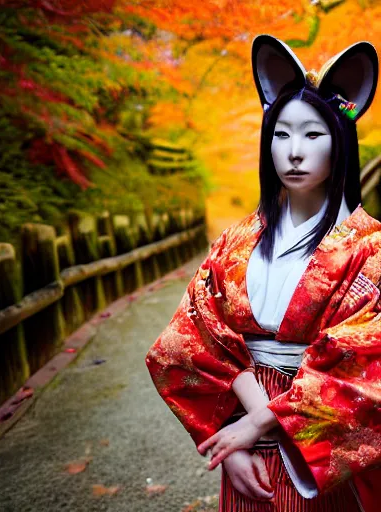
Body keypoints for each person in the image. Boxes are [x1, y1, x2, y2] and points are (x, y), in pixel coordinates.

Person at [145, 35, 381, 512]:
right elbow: (193, 337)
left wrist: (253, 426)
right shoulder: (236, 242)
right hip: (243, 424)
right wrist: (233, 441)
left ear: (342, 142)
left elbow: (366, 368)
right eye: (281, 134)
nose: (294, 151)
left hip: (318, 448)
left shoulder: (371, 247)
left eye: (313, 134)